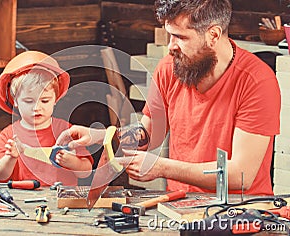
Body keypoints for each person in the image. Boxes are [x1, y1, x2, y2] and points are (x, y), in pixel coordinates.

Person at [56, 0, 280, 195]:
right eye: (169, 34)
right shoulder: (169, 68)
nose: (170, 46)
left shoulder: (256, 80)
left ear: (213, 35)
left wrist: (162, 168)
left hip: (243, 210)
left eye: (180, 37)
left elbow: (240, 175)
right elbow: (147, 133)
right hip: (179, 206)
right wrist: (102, 136)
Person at [0, 51, 93, 186]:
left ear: (55, 99)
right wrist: (10, 158)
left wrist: (73, 163)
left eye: (44, 101)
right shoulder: (9, 134)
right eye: (28, 101)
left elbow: (87, 171)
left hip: (61, 202)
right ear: (15, 101)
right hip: (22, 199)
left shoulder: (66, 130)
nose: (36, 108)